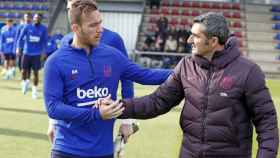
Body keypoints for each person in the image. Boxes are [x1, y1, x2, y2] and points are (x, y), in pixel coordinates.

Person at [101, 12, 279, 158]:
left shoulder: (248, 71)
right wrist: (119, 107)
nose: (188, 40)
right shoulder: (186, 66)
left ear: (214, 41)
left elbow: (267, 123)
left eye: (195, 36)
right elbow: (157, 102)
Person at [43, 0, 171, 158]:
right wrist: (96, 114)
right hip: (66, 151)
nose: (100, 30)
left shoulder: (112, 55)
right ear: (75, 28)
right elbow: (54, 108)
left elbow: (145, 75)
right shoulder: (55, 61)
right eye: (92, 25)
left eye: (100, 23)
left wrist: (187, 69)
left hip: (103, 152)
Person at [46, 0, 140, 148]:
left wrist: (127, 120)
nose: (72, 10)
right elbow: (59, 89)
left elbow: (127, 78)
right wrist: (53, 122)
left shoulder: (113, 39)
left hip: (101, 126)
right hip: (72, 128)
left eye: (76, 4)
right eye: (69, 6)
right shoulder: (66, 40)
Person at [16, 13, 48, 99]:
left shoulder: (44, 29)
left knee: (36, 73)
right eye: (35, 17)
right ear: (33, 18)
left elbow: (45, 42)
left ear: (41, 19)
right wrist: (18, 48)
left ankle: (34, 91)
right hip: (26, 52)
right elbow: (20, 38)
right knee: (23, 71)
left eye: (38, 18)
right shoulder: (27, 27)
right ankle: (25, 82)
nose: (36, 19)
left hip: (36, 54)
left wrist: (44, 52)